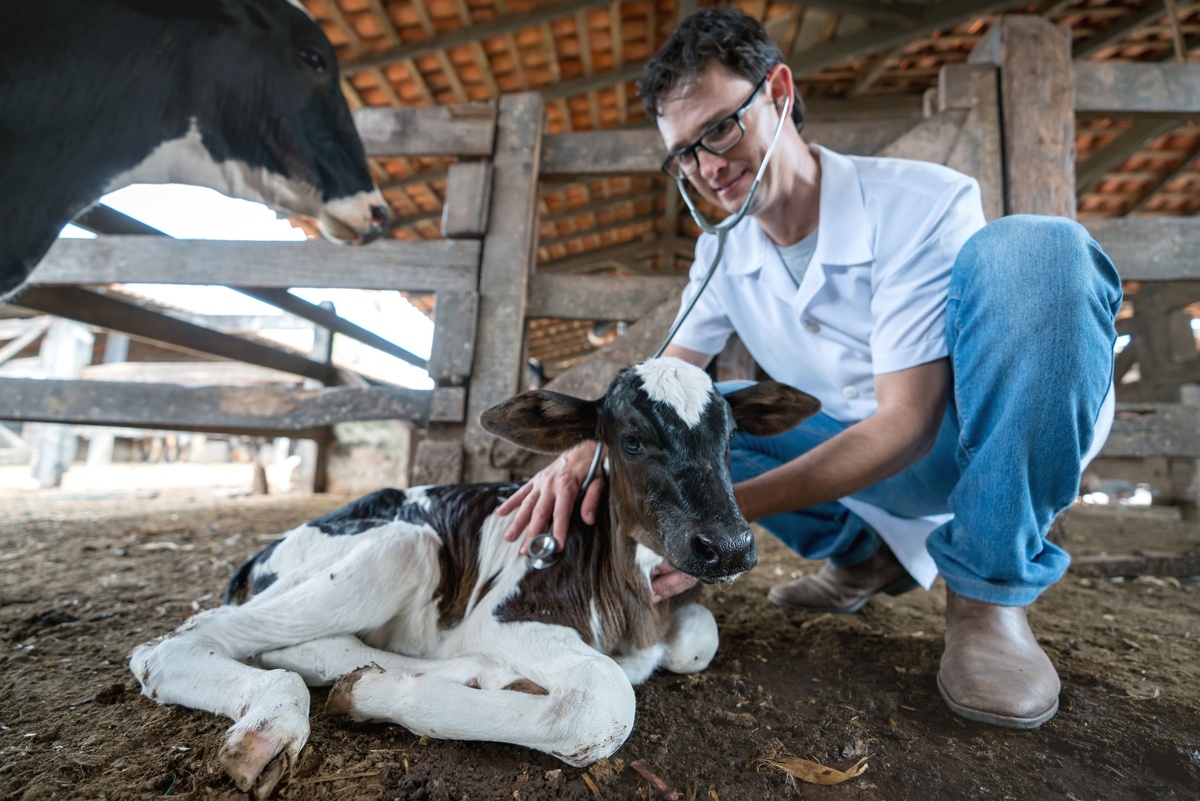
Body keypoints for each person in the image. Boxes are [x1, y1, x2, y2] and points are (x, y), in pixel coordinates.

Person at [498, 6, 1121, 730]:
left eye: (720, 128)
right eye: (684, 155)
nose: (708, 166)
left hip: (979, 437)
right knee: (697, 414)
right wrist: (584, 450)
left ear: (780, 92)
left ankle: (990, 591)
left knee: (1038, 248)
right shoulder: (723, 250)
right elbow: (664, 379)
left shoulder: (924, 201)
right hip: (866, 455)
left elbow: (908, 425)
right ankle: (866, 556)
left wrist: (727, 525)